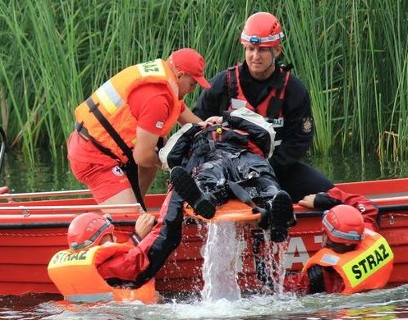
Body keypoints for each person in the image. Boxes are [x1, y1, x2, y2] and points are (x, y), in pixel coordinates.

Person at [192, 12, 334, 203]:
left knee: (330, 194)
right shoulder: (223, 83)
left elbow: (299, 140)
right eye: (250, 49)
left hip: (275, 167)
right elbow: (197, 125)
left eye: (262, 50)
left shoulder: (293, 90)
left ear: (277, 51)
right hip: (228, 170)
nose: (255, 56)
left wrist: (265, 169)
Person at [68, 48, 210, 211]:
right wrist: (166, 162)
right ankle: (135, 215)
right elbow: (142, 157)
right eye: (192, 84)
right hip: (94, 158)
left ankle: (138, 204)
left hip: (99, 146)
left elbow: (191, 121)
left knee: (156, 145)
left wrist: (210, 126)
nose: (192, 90)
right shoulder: (157, 99)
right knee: (132, 223)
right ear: (180, 76)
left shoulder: (165, 81)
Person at [159, 108, 294, 242]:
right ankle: (204, 198)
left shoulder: (241, 127)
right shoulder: (196, 135)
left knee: (260, 175)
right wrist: (193, 129)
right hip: (210, 159)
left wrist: (227, 118)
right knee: (207, 174)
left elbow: (266, 133)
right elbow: (169, 157)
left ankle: (274, 206)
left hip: (245, 156)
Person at [47, 196, 185, 303]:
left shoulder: (77, 269)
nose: (117, 239)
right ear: (105, 236)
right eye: (112, 235)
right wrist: (174, 192)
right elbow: (163, 235)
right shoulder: (116, 268)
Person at [296, 205, 393, 294]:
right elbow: (367, 206)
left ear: (327, 237)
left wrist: (328, 198)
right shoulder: (369, 236)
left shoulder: (318, 271)